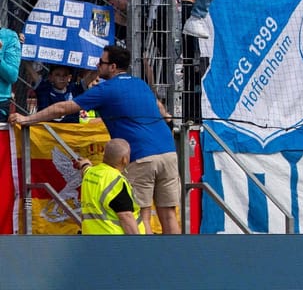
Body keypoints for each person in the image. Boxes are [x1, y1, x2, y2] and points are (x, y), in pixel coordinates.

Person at [12, 45, 182, 234]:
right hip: (168, 151)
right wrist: (171, 125)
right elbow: (159, 107)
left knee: (141, 216)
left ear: (113, 67)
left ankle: (146, 262)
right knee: (168, 214)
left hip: (140, 156)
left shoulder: (105, 89)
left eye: (101, 62)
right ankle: (175, 261)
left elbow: (62, 109)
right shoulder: (139, 83)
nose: (97, 65)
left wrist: (27, 119)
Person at [75, 138, 146, 235]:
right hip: (116, 242)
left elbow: (86, 169)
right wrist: (138, 244)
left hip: (91, 239)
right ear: (124, 159)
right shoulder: (116, 181)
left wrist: (85, 164)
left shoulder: (91, 173)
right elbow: (125, 216)